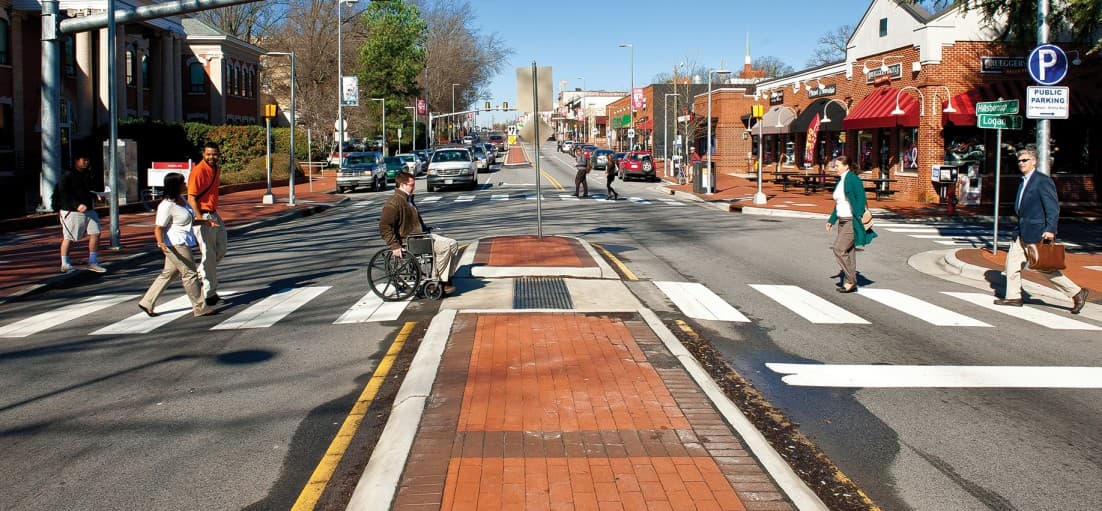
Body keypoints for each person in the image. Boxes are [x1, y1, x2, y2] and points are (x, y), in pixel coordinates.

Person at [994, 148, 1090, 313]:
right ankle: (1013, 296)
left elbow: (1053, 208)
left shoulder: (1042, 181)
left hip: (1038, 232)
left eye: (1024, 160)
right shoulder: (1023, 181)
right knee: (1012, 264)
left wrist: (1050, 230)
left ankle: (1077, 292)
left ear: (1034, 162)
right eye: (1019, 161)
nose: (1021, 163)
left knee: (1043, 266)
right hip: (1021, 232)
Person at [138, 173, 213, 318]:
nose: (185, 185)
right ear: (174, 186)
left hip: (183, 241)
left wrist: (204, 222)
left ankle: (147, 302)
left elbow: (187, 221)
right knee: (190, 273)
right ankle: (200, 307)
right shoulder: (166, 205)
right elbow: (159, 227)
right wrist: (160, 243)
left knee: (169, 273)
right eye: (182, 183)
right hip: (175, 244)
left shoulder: (182, 200)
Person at [379, 172, 459, 294]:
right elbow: (385, 227)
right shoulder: (394, 202)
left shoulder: (407, 199)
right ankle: (437, 281)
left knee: (453, 244)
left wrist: (425, 228)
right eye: (411, 185)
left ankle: (446, 277)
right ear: (402, 185)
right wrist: (394, 245)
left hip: (422, 235)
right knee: (444, 248)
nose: (414, 187)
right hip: (412, 240)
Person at [825, 155, 877, 293]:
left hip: (851, 220)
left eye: (837, 166)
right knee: (848, 251)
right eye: (835, 166)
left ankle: (851, 281)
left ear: (846, 166)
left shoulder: (853, 180)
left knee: (838, 249)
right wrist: (832, 220)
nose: (835, 168)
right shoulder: (841, 180)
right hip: (842, 220)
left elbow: (861, 198)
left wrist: (858, 215)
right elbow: (839, 203)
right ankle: (850, 280)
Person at [188, 141, 228, 307]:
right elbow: (191, 197)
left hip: (213, 214)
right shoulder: (198, 171)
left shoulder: (216, 169)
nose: (212, 157)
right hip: (203, 215)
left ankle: (202, 272)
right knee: (209, 254)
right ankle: (209, 293)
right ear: (203, 154)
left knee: (221, 248)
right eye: (208, 154)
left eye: (214, 154)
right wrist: (200, 218)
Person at [56, 155, 107, 273]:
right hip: (72, 211)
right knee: (70, 237)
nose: (86, 162)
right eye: (84, 160)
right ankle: (65, 263)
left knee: (96, 232)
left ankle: (93, 262)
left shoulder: (87, 174)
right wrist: (76, 205)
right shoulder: (67, 175)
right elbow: (63, 193)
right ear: (76, 161)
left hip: (89, 210)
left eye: (88, 160)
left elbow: (88, 190)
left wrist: (97, 195)